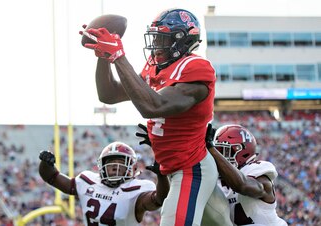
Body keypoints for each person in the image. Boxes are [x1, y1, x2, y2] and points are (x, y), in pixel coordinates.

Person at [81, 8, 229, 226]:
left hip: (191, 168)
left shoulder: (196, 68)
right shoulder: (154, 66)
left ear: (182, 41)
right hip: (173, 167)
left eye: (162, 38)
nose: (156, 44)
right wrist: (104, 57)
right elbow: (109, 94)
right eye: (155, 37)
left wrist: (118, 56)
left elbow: (153, 105)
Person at [39, 141, 169, 226]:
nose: (114, 166)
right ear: (101, 166)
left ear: (132, 167)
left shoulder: (137, 189)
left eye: (120, 162)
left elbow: (159, 199)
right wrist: (46, 164)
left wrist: (162, 176)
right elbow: (52, 177)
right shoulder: (88, 181)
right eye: (110, 162)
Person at [204, 124, 288, 226]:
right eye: (218, 151)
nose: (219, 157)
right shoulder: (217, 181)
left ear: (242, 152)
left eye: (223, 151)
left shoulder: (256, 172)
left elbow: (242, 185)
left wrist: (211, 149)